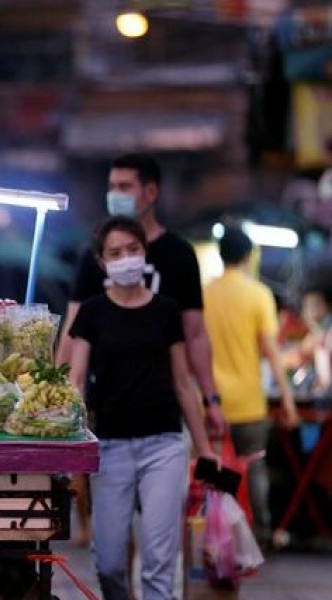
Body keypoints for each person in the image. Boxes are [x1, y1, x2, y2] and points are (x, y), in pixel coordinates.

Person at [68, 216, 218, 600]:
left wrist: (205, 449)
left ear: (144, 253)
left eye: (133, 250)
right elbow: (76, 380)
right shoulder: (92, 312)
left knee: (158, 564)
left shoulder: (166, 310)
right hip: (110, 447)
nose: (126, 259)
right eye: (115, 253)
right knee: (109, 563)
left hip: (164, 445)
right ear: (102, 263)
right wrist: (69, 444)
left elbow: (183, 382)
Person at [57, 153, 225, 437]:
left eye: (124, 187)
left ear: (151, 192)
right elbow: (71, 332)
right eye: (111, 187)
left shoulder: (179, 254)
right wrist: (56, 391)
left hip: (164, 413)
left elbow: (195, 334)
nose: (115, 195)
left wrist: (211, 399)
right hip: (107, 412)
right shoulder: (94, 256)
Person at [203, 226, 300, 547]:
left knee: (215, 470)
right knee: (254, 466)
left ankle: (216, 534)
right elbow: (271, 351)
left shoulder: (204, 293)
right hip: (248, 401)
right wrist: (286, 398)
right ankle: (258, 533)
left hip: (211, 402)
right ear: (247, 256)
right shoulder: (258, 294)